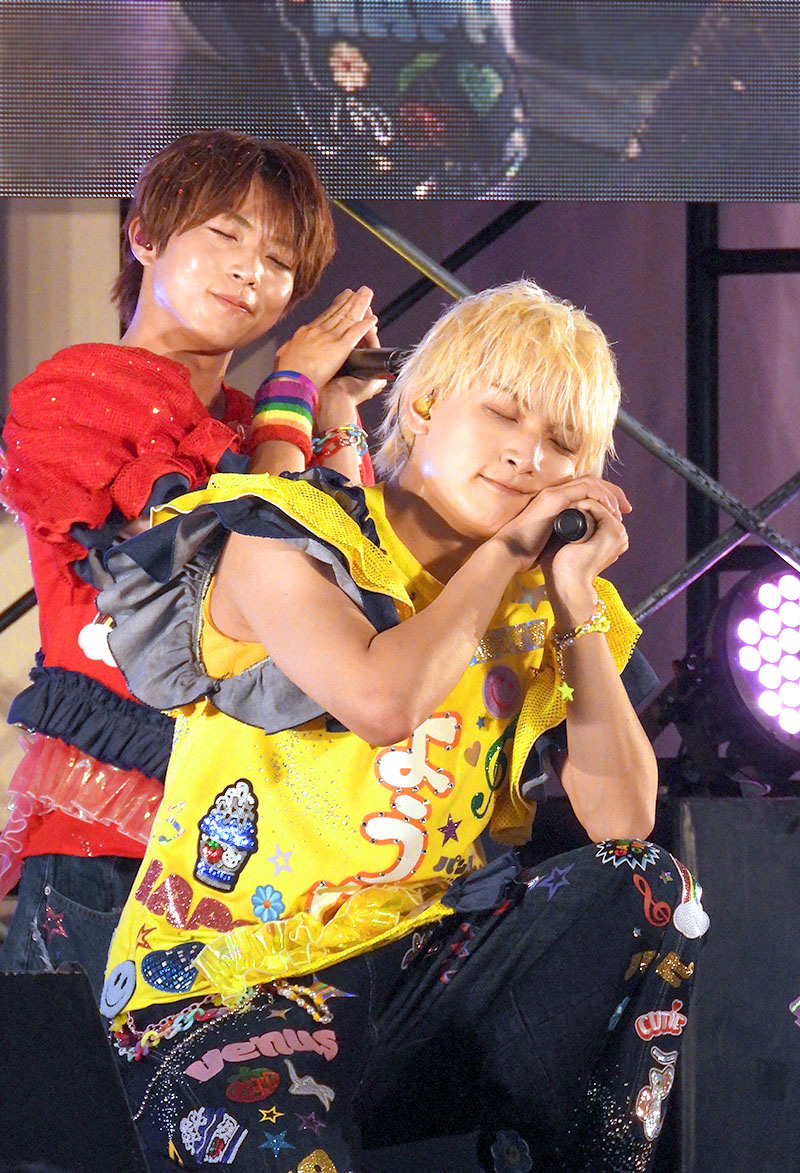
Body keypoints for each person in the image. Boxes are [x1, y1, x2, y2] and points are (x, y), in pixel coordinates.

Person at [98, 280, 707, 1171]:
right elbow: (382, 702)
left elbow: (623, 821)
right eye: (503, 414)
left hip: (416, 984)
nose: (528, 455)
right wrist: (506, 552)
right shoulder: (285, 533)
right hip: (231, 986)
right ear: (422, 407)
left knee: (649, 883)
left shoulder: (543, 603)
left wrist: (574, 598)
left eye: (562, 442)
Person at [0, 129, 384, 999]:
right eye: (226, 234)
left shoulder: (262, 417)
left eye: (280, 260)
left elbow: (350, 586)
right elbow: (208, 560)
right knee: (75, 1085)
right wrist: (291, 396)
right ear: (144, 235)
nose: (251, 271)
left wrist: (334, 410)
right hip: (112, 840)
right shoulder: (76, 391)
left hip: (256, 841)